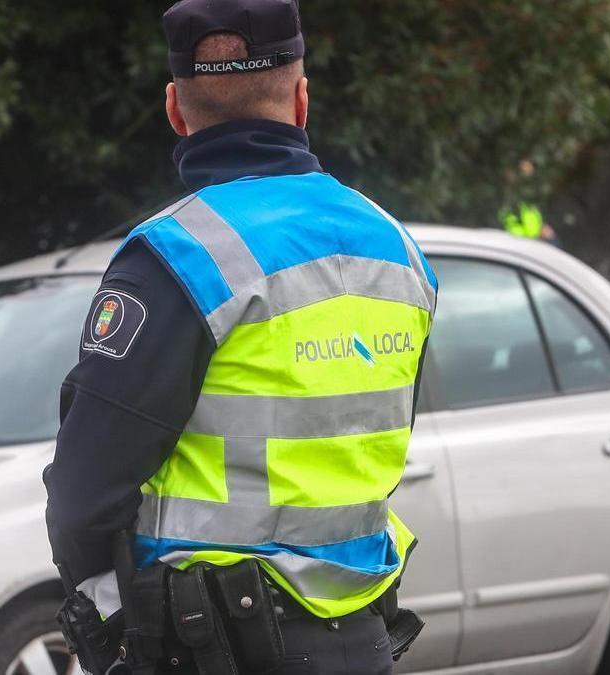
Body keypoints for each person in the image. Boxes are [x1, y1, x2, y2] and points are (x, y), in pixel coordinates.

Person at [43, 1, 437, 673]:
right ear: (303, 98)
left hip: (210, 649)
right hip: (361, 643)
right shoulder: (398, 250)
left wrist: (112, 624)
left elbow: (85, 493)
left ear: (175, 108)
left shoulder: (178, 257)